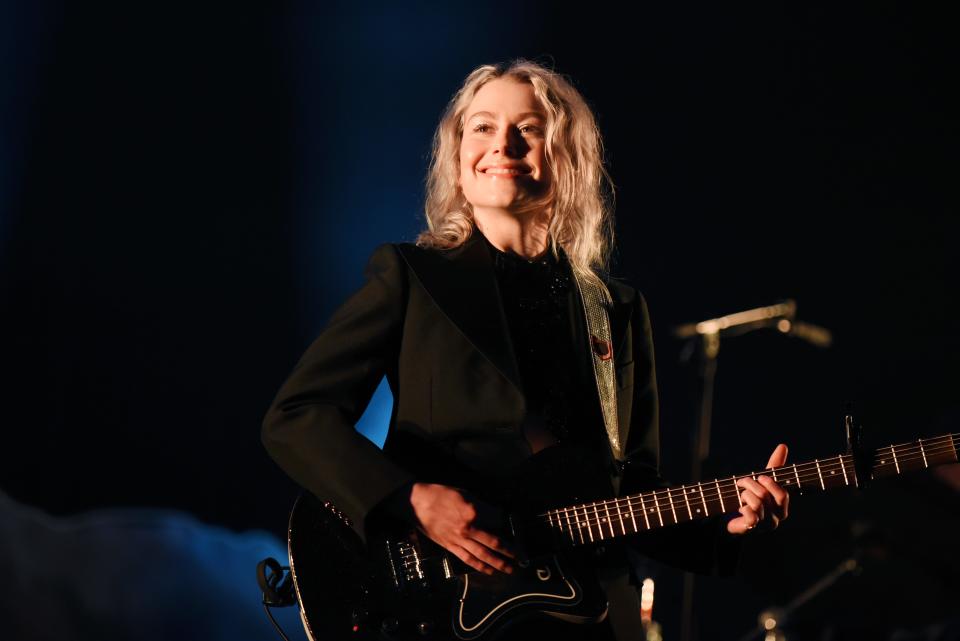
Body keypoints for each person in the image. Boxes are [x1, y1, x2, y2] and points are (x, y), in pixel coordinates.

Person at [261, 59, 790, 640]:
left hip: (579, 612)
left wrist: (728, 525)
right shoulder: (411, 278)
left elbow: (627, 500)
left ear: (566, 158)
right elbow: (296, 418)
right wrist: (408, 500)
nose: (502, 144)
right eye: (482, 127)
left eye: (528, 129)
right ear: (458, 159)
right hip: (437, 608)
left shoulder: (615, 309)